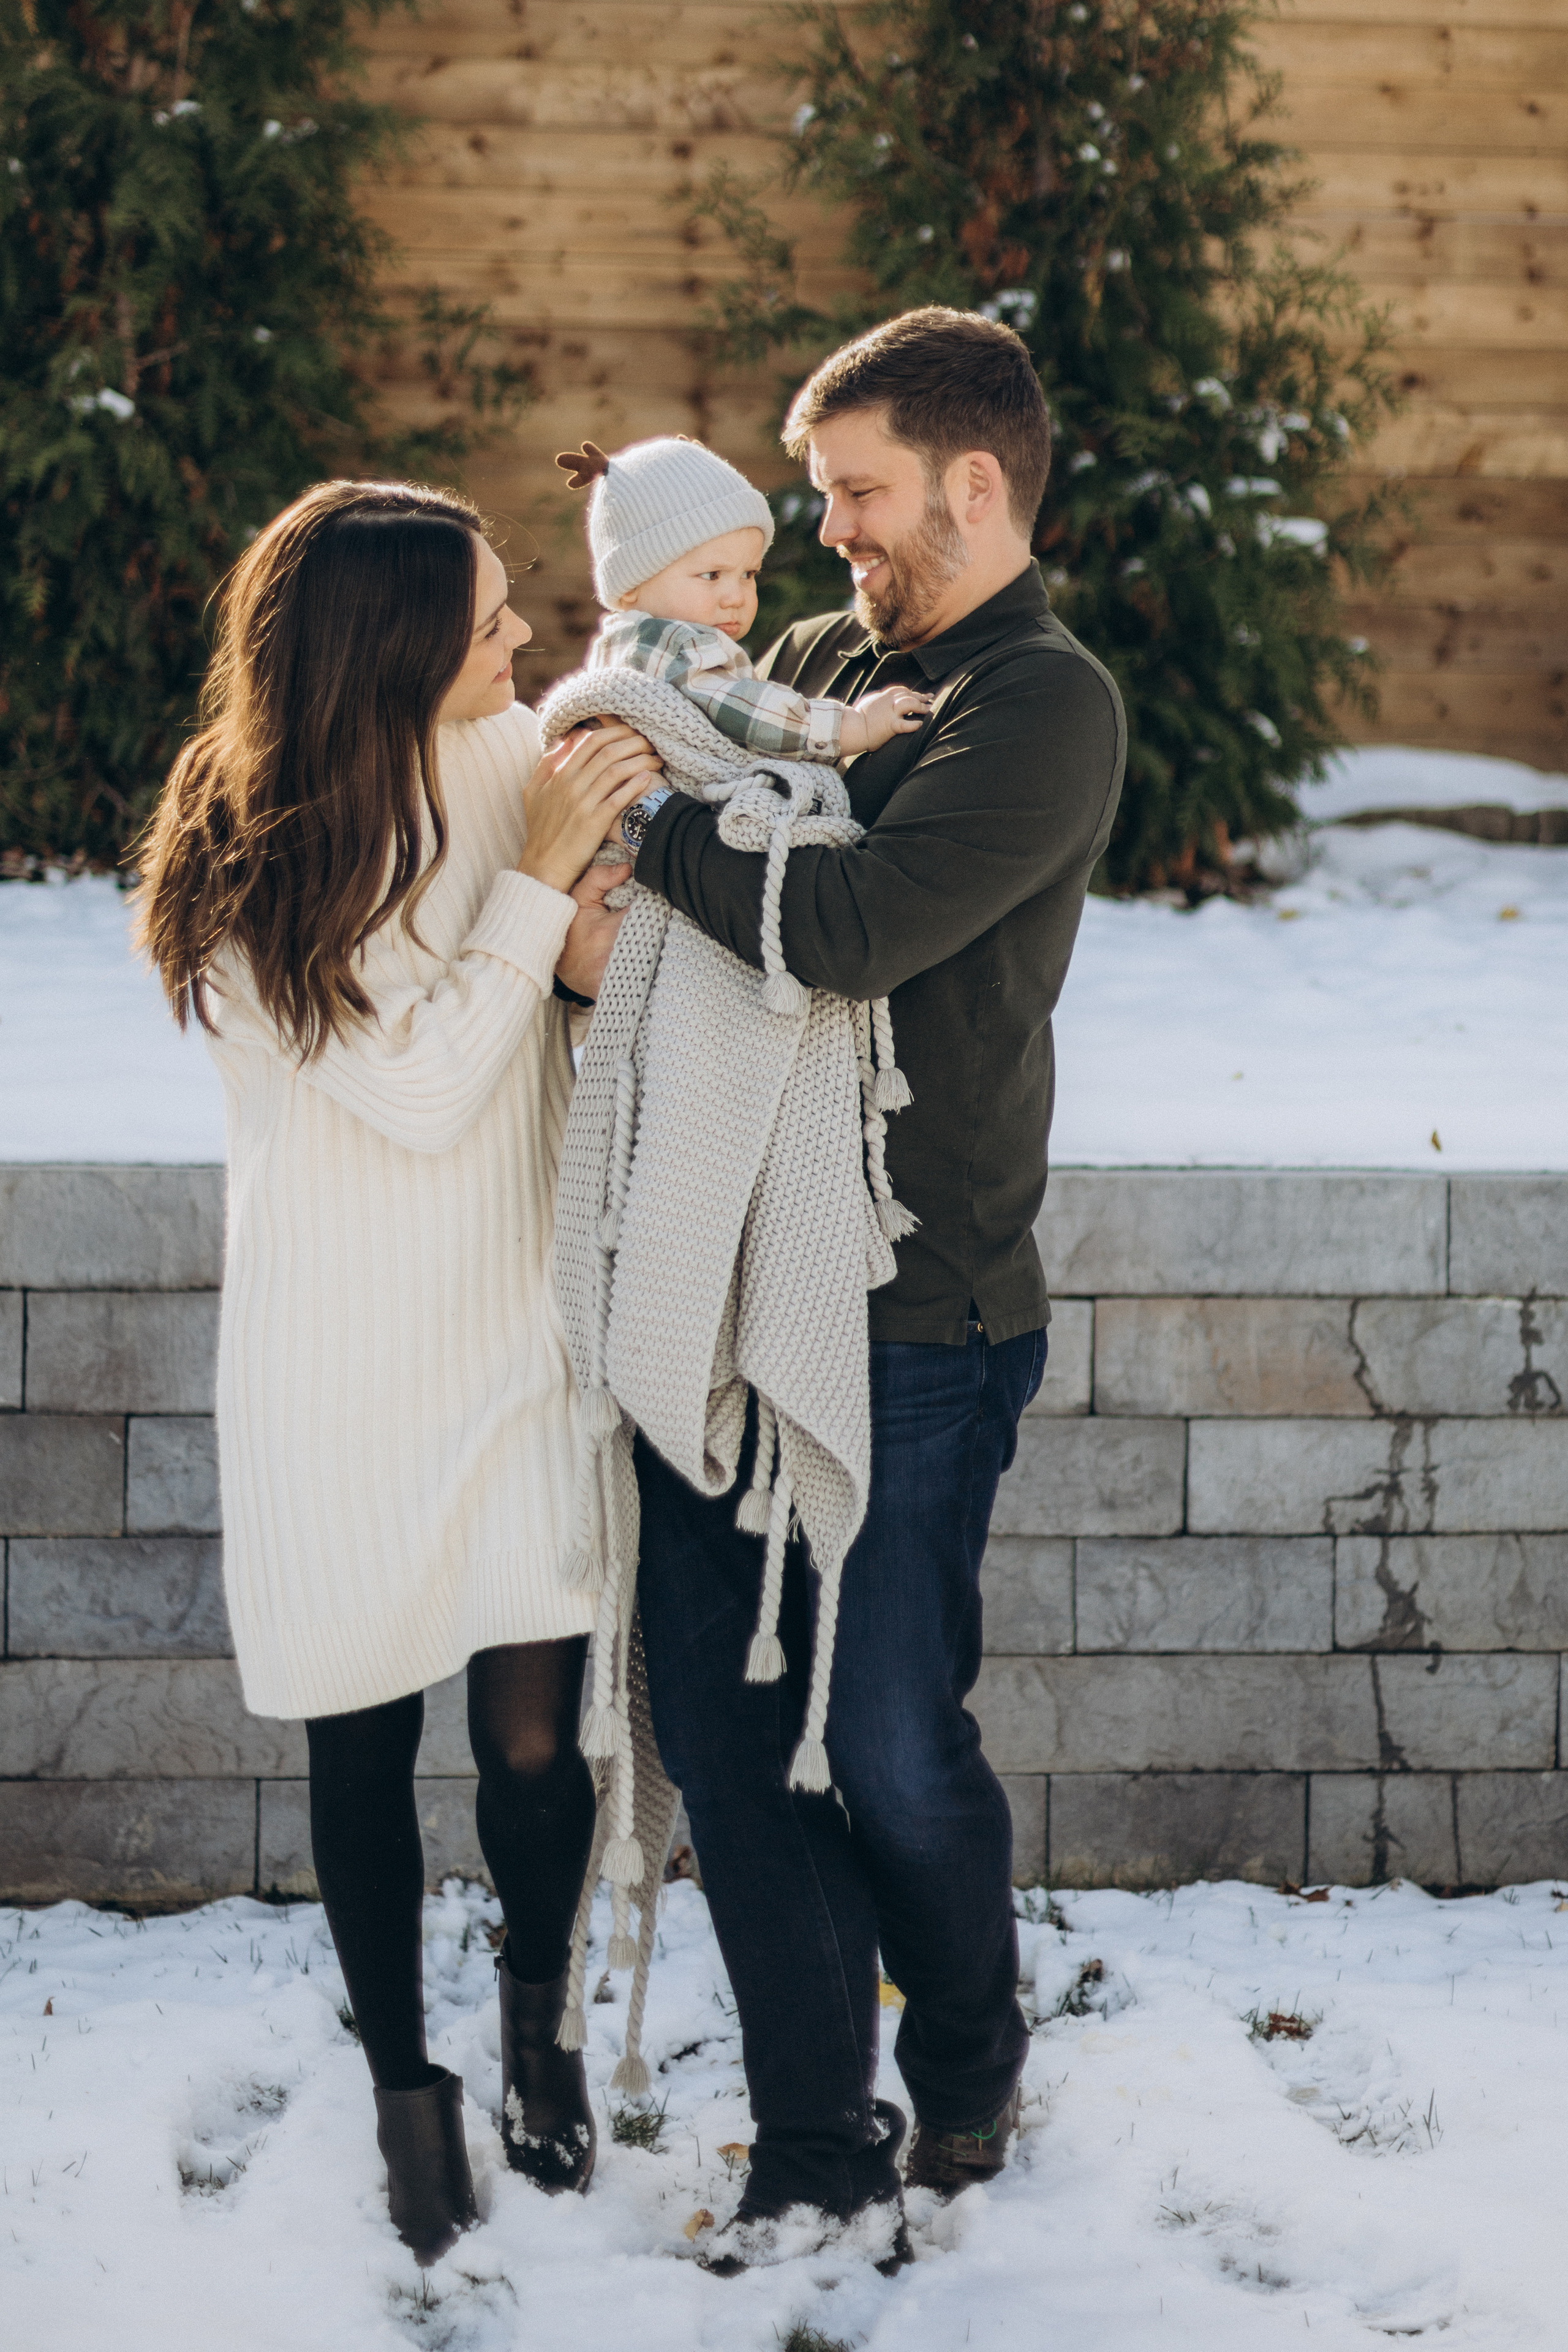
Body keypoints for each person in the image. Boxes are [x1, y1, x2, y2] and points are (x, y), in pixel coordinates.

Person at [607, 307, 1128, 2270]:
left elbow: (836, 924)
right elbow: (673, 694)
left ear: (972, 486)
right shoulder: (831, 663)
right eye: (820, 499)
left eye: (856, 496)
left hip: (920, 1314)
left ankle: (973, 2054)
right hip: (735, 1290)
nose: (827, 537)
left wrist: (647, 829)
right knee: (739, 1742)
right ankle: (817, 2123)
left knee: (894, 1740)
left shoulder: (1038, 704)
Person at [134, 478, 659, 2264]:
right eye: (492, 618)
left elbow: (632, 776)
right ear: (393, 648)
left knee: (531, 1744)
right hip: (337, 1369)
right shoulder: (249, 851)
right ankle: (404, 2099)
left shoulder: (512, 749)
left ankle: (536, 2035)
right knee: (361, 1746)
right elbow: (426, 1082)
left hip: (515, 1331)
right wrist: (531, 896)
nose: (521, 640)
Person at [557, 433, 933, 764]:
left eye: (748, 574)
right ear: (630, 585)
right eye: (711, 575)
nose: (736, 596)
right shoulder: (665, 644)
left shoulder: (627, 642)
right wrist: (856, 726)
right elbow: (745, 713)